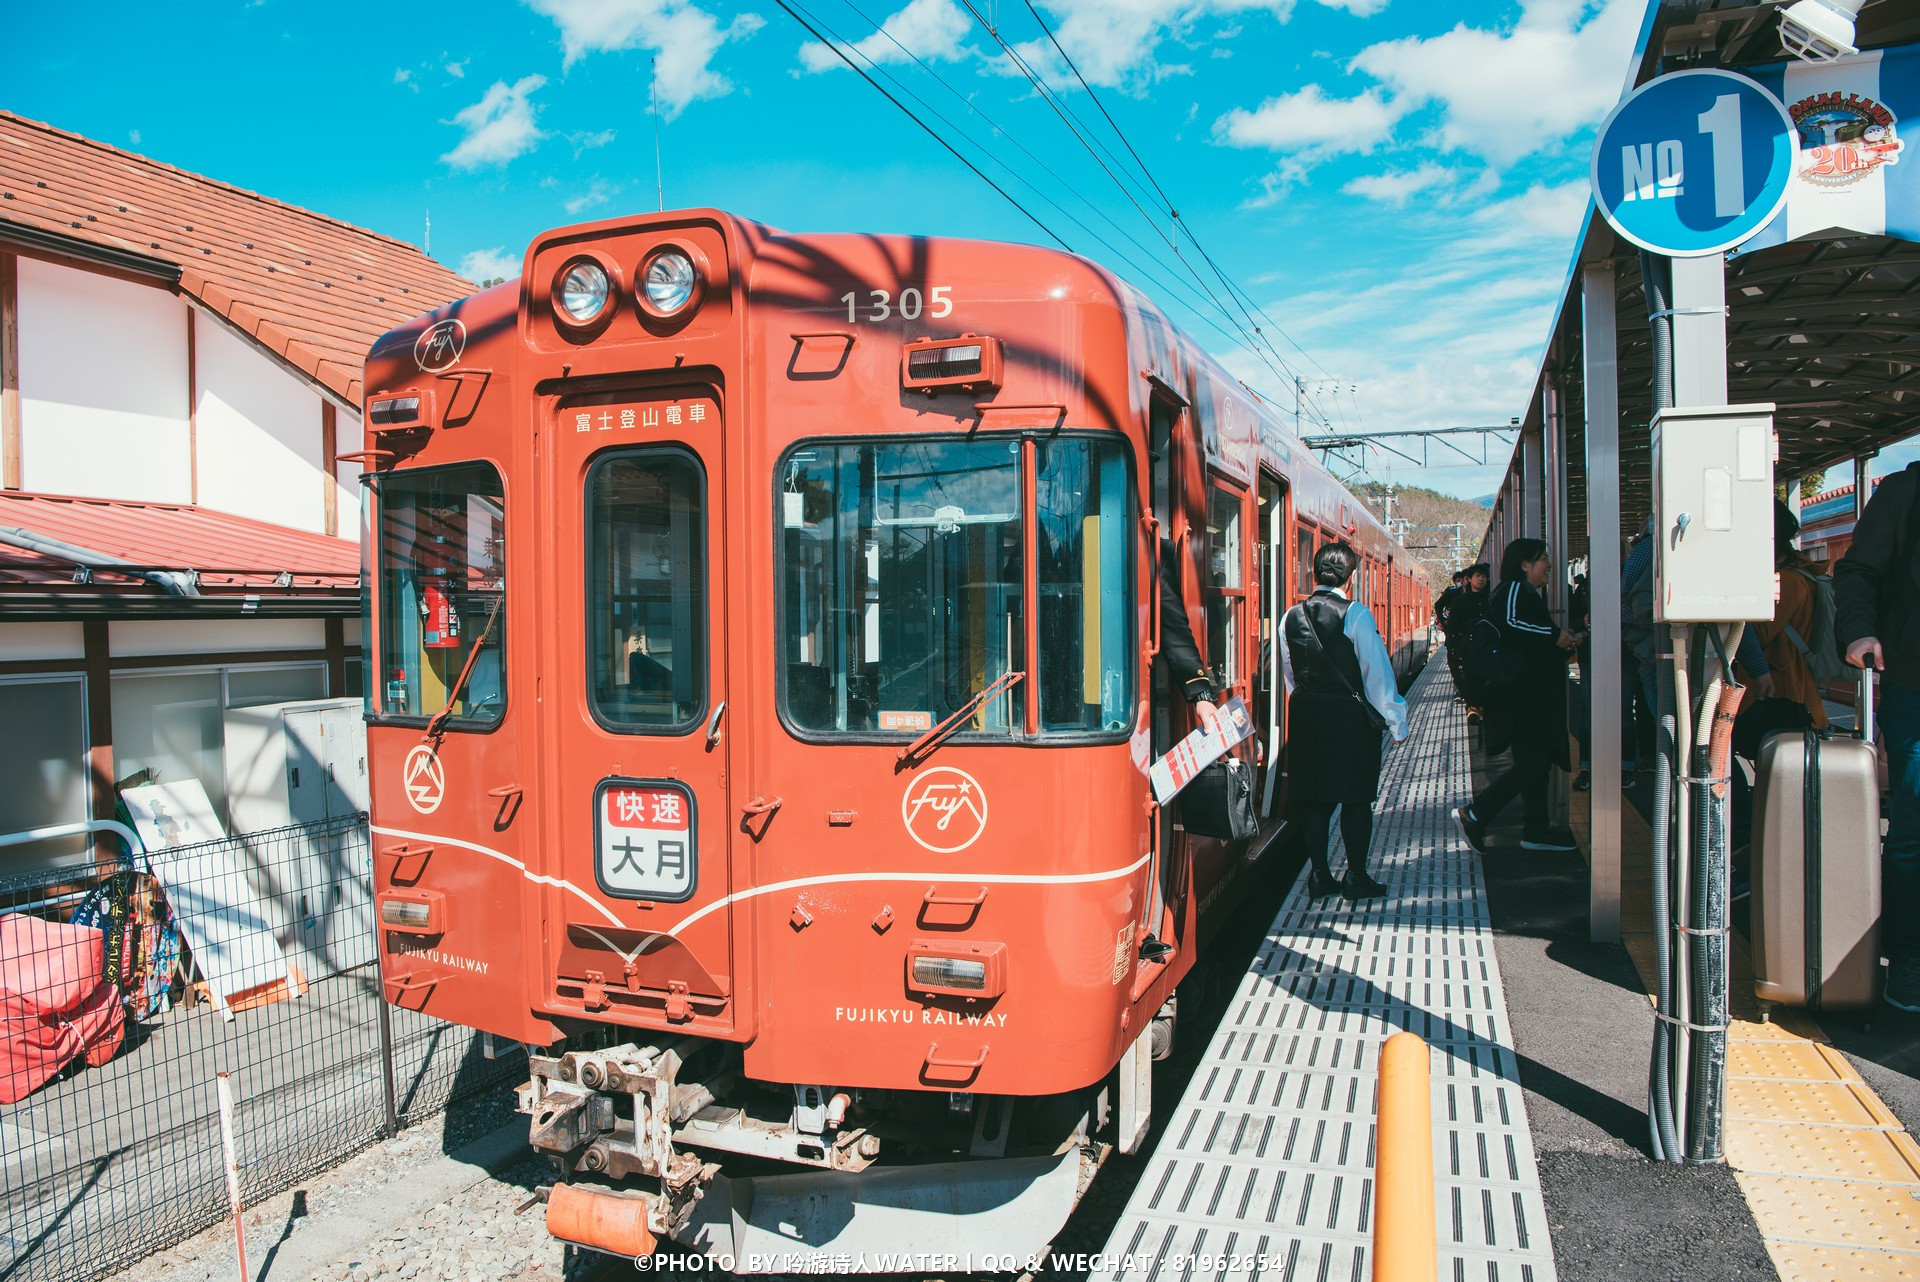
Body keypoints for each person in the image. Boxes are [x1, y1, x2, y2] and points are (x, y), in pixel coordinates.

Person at [1278, 541, 1410, 900]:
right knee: (1355, 799)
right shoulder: (1356, 614)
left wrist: (1309, 699)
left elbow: (1291, 672)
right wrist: (1396, 721)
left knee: (1315, 799)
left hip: (1307, 715)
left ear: (1315, 572)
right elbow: (1376, 675)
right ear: (1350, 577)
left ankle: (1319, 876)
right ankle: (1356, 877)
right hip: (1349, 719)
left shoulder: (1290, 616)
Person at [1834, 462, 1920, 1013]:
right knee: (1914, 817)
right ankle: (1908, 956)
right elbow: (1857, 570)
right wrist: (1860, 629)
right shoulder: (1905, 492)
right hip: (1916, 678)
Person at [1454, 538, 1580, 853]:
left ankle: (1535, 830)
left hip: (1532, 697)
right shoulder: (1512, 590)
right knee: (1531, 764)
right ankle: (1476, 813)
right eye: (1543, 558)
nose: (1549, 564)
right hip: (1523, 698)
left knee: (1536, 762)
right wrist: (1555, 635)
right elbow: (1509, 623)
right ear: (1525, 564)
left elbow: (1531, 645)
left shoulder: (1525, 595)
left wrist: (1565, 641)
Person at [1743, 500, 1829, 730]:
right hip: (1779, 689)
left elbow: (1759, 633)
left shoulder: (1787, 580)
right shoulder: (1791, 574)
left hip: (1782, 692)